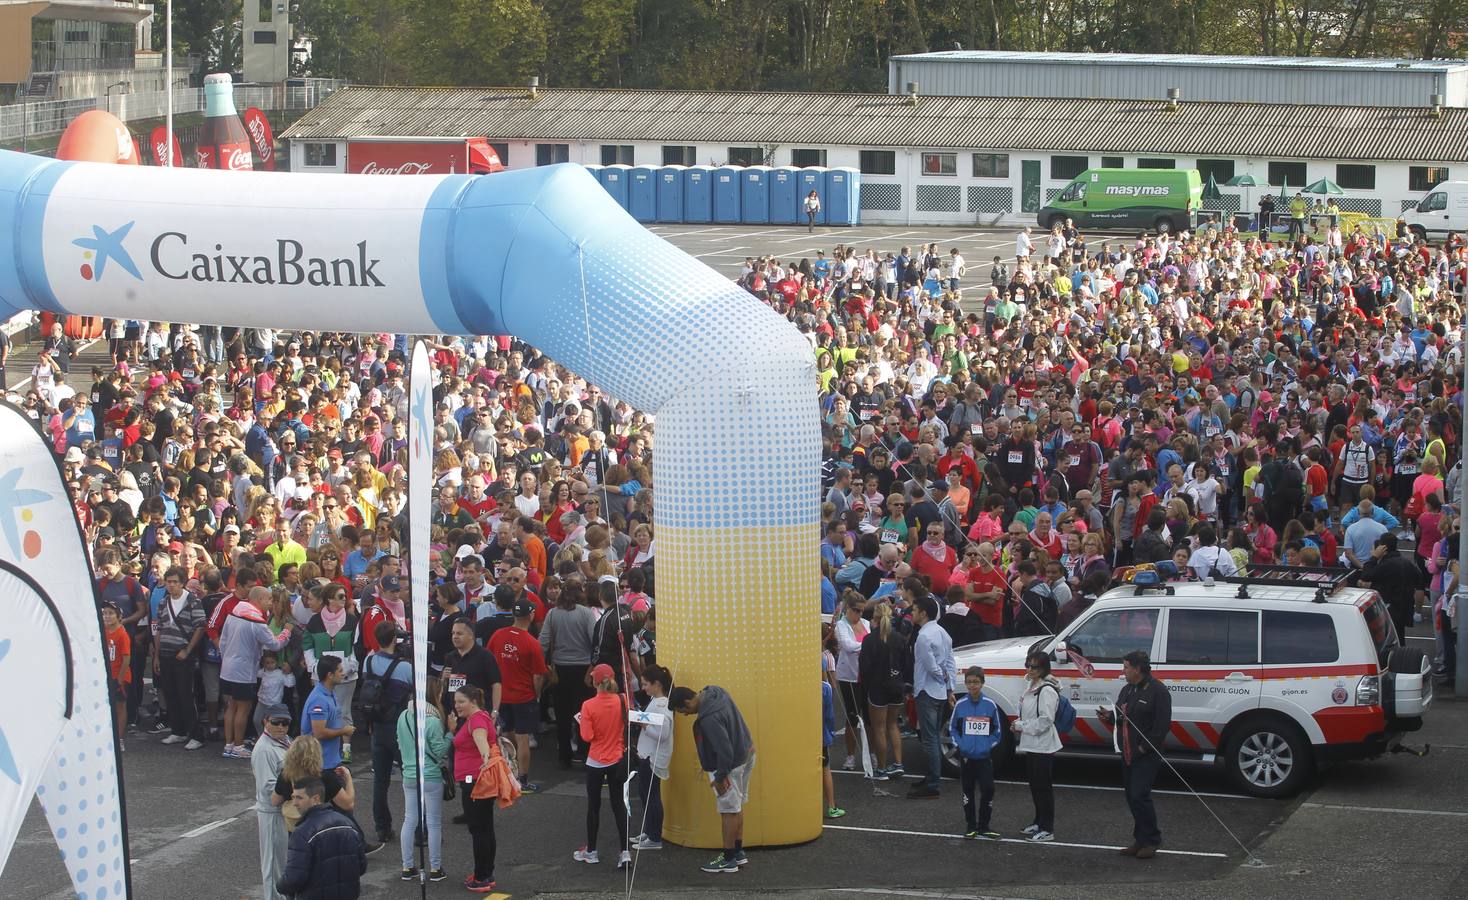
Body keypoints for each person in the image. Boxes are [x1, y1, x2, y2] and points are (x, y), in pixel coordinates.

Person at [670, 683, 755, 874]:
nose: (684, 714)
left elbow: (725, 751)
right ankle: (737, 851)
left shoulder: (708, 719)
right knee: (737, 805)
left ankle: (728, 858)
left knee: (728, 811)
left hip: (730, 766)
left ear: (687, 702)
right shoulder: (716, 691)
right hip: (747, 753)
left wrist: (719, 777)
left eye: (682, 710)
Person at [1098, 650, 1173, 859]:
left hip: (1145, 754)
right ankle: (1140, 838)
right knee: (1131, 796)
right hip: (1127, 752)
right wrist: (1110, 717)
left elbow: (1161, 727)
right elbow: (1122, 718)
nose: (1123, 671)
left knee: (1140, 795)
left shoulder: (1158, 692)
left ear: (1137, 669)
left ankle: (1151, 839)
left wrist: (1143, 748)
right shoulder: (1127, 690)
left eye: (1126, 667)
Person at [219, 587, 295, 759]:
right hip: (244, 671)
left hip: (227, 667)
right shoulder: (256, 622)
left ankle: (228, 744)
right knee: (243, 709)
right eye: (269, 600)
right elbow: (275, 644)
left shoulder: (233, 614)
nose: (270, 604)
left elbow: (223, 641)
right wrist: (287, 631)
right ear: (260, 599)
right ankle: (238, 746)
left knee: (231, 706)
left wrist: (226, 659)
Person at [359, 621, 414, 846]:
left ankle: (382, 827)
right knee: (410, 779)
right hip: (399, 727)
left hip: (377, 727)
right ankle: (417, 828)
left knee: (380, 781)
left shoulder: (368, 662)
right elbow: (415, 688)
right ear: (394, 639)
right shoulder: (405, 668)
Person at [574, 662, 632, 869]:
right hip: (617, 759)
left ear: (595, 681)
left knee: (594, 806)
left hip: (596, 761)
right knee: (619, 805)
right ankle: (625, 852)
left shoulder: (588, 705)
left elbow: (587, 736)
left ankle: (591, 851)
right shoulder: (622, 700)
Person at [487, 599, 548, 793]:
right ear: (531, 616)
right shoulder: (532, 643)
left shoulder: (497, 635)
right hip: (523, 697)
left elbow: (489, 659)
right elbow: (538, 675)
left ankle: (506, 774)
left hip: (501, 696)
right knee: (522, 739)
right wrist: (536, 695)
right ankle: (522, 781)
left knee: (504, 735)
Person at [276, 775, 368, 900]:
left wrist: (280, 886)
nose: (295, 803)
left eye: (299, 798)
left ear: (316, 799)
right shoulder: (348, 824)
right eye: (293, 797)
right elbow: (361, 866)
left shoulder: (302, 833)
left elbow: (294, 878)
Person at [539, 580, 597, 768]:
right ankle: (583, 751)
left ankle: (564, 756)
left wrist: (544, 666)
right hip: (583, 669)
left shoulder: (553, 614)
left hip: (560, 669)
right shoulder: (587, 613)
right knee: (583, 713)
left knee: (562, 714)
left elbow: (543, 643)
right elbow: (595, 641)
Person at [396, 686, 451, 883]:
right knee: (433, 823)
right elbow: (439, 750)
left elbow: (400, 743)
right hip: (431, 776)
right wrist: (450, 734)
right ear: (434, 696)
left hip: (409, 775)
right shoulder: (433, 720)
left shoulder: (403, 716)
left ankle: (407, 866)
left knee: (409, 820)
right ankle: (435, 869)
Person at [450, 684, 500, 892]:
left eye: (461, 702)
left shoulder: (477, 721)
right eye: (455, 702)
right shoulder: (479, 718)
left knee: (478, 829)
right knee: (485, 827)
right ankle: (486, 873)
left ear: (474, 702)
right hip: (479, 781)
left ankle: (481, 878)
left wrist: (485, 761)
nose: (457, 706)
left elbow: (483, 747)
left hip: (475, 782)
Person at [151, 565, 207, 750]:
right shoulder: (163, 602)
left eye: (175, 582)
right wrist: (156, 656)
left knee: (186, 694)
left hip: (183, 654)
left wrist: (188, 650)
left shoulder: (192, 601)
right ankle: (178, 731)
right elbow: (159, 628)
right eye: (169, 582)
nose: (171, 585)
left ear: (182, 583)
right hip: (165, 653)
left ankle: (195, 734)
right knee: (170, 693)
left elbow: (200, 627)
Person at [908, 594, 956, 799]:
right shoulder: (943, 632)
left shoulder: (923, 636)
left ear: (923, 613)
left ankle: (933, 783)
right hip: (939, 691)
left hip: (927, 690)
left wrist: (941, 675)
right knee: (934, 736)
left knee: (930, 739)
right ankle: (931, 777)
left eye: (914, 610)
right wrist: (949, 686)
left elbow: (930, 666)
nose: (912, 612)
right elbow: (951, 662)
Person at [1012, 650, 1060, 842]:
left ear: (1043, 669)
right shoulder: (1031, 685)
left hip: (1043, 746)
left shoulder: (1046, 690)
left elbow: (1046, 720)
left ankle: (1047, 828)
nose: (1030, 670)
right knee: (1035, 786)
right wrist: (1019, 722)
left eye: (1035, 667)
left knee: (1043, 787)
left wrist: (1022, 726)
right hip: (1032, 744)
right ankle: (1039, 821)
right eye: (1028, 665)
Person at [950, 666, 1002, 840]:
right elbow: (952, 728)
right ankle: (971, 825)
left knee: (988, 789)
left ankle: (984, 826)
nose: (973, 686)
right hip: (966, 758)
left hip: (984, 757)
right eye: (970, 682)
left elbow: (997, 731)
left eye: (976, 682)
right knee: (968, 791)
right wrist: (961, 745)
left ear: (982, 683)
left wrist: (987, 745)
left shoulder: (990, 705)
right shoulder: (960, 704)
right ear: (965, 684)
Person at [631, 664, 674, 851]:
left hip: (653, 757)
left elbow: (663, 734)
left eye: (646, 684)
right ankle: (649, 831)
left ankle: (655, 837)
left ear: (657, 684)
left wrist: (643, 724)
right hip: (648, 755)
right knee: (646, 795)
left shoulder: (663, 704)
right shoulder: (657, 701)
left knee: (651, 796)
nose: (644, 688)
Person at [252, 712, 292, 900]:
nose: (281, 727)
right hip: (272, 812)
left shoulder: (284, 740)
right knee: (272, 864)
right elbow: (269, 786)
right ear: (265, 722)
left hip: (284, 810)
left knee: (282, 864)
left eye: (285, 723)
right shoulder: (264, 750)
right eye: (276, 723)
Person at [302, 656, 357, 774]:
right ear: (330, 675)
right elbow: (319, 733)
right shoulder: (319, 700)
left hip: (331, 761)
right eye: (340, 671)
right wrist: (344, 731)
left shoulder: (331, 693)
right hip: (320, 765)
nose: (343, 674)